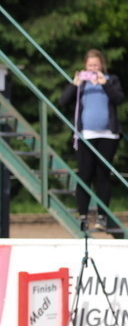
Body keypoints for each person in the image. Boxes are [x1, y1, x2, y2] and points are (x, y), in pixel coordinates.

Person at [59, 49, 124, 231]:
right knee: (85, 175)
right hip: (86, 135)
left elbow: (119, 99)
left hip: (108, 135)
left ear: (102, 65)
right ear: (85, 67)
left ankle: (102, 217)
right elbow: (63, 102)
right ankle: (83, 216)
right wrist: (74, 84)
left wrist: (105, 84)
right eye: (90, 66)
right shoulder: (82, 84)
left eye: (96, 65)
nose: (93, 68)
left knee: (103, 176)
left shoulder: (112, 80)